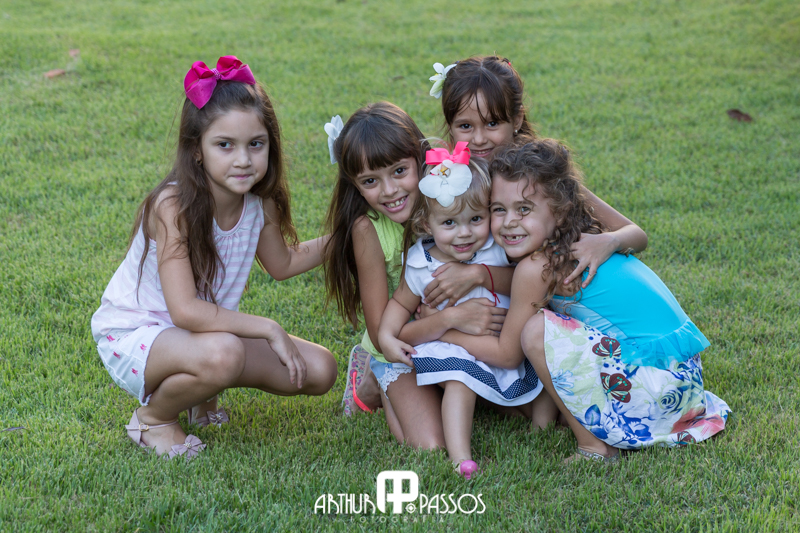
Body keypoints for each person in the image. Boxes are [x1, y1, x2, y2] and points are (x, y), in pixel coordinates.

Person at [91, 56, 337, 458]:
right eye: (225, 145)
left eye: (255, 144)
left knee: (321, 370)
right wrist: (268, 328)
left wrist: (345, 236)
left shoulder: (260, 203)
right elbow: (185, 311)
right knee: (226, 353)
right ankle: (153, 420)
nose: (243, 160)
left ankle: (202, 396)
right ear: (197, 150)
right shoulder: (173, 206)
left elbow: (284, 263)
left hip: (204, 336)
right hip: (137, 334)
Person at [441, 139, 731, 462]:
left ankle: (595, 448)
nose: (509, 221)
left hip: (659, 393)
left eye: (524, 209)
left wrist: (445, 331)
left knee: (536, 331)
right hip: (683, 387)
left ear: (559, 211)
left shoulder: (536, 268)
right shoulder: (582, 238)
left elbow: (507, 355)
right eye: (499, 209)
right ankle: (578, 422)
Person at [321, 103, 510, 447]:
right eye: (370, 181)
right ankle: (372, 379)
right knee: (431, 445)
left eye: (399, 171)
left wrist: (477, 275)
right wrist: (450, 319)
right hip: (401, 346)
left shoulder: (451, 197)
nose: (390, 190)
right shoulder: (368, 230)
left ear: (419, 160)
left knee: (504, 397)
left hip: (456, 340)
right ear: (356, 186)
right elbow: (384, 333)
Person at [378, 143, 543, 478]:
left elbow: (524, 281)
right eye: (450, 223)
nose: (465, 233)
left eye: (476, 219)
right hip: (454, 351)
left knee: (539, 374)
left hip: (502, 345)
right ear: (426, 224)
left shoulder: (497, 248)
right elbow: (400, 303)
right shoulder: (422, 263)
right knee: (460, 381)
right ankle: (461, 459)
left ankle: (542, 430)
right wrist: (385, 335)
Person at [429, 54, 648, 294]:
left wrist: (609, 241)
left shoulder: (539, 174)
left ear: (516, 119)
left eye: (492, 123)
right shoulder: (448, 177)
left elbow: (637, 235)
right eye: (465, 126)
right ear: (450, 126)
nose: (479, 139)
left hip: (553, 296)